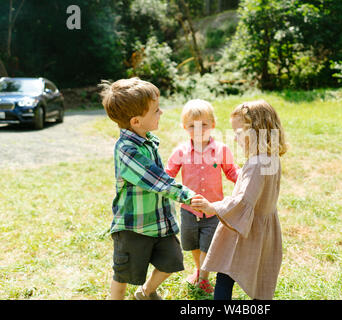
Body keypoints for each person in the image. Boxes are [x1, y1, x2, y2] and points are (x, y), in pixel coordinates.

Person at [99, 77, 196, 300]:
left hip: (160, 221)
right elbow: (157, 181)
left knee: (172, 262)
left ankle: (145, 292)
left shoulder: (148, 140)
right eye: (156, 110)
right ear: (136, 121)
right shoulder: (127, 149)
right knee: (123, 274)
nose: (161, 113)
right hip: (135, 226)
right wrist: (186, 195)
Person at [190, 99, 287, 300]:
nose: (235, 139)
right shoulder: (270, 157)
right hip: (262, 228)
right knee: (258, 273)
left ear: (255, 131)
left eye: (238, 133)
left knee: (226, 271)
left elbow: (243, 202)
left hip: (245, 230)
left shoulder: (257, 164)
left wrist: (212, 207)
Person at [165, 99, 240, 294]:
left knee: (208, 244)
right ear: (184, 127)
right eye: (192, 126)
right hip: (189, 209)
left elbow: (231, 171)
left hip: (213, 208)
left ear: (213, 125)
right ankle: (199, 270)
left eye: (204, 125)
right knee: (193, 244)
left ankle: (204, 278)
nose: (198, 129)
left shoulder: (221, 150)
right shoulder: (181, 151)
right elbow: (168, 174)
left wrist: (245, 180)